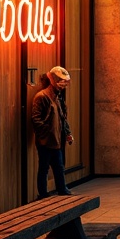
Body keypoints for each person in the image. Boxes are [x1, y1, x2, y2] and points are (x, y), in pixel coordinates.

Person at [31, 66, 72, 196]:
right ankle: (43, 193)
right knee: (44, 168)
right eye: (61, 83)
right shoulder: (42, 97)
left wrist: (68, 133)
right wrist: (45, 134)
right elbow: (36, 119)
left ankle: (62, 189)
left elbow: (62, 117)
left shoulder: (57, 97)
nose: (62, 86)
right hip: (46, 140)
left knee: (59, 167)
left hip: (56, 139)